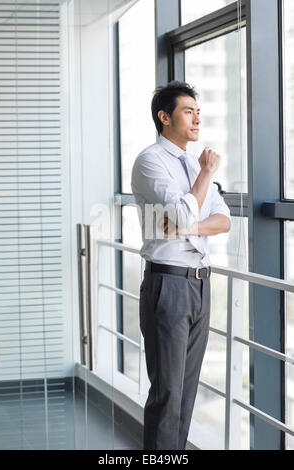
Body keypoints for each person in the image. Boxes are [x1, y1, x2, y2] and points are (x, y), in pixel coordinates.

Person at [131, 80, 231, 450]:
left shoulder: (191, 162)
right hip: (168, 286)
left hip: (201, 285)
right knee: (168, 395)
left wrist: (188, 224)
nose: (197, 118)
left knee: (187, 395)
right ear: (164, 116)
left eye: (198, 111)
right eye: (188, 111)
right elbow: (181, 210)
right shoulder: (150, 161)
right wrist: (205, 175)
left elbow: (224, 220)